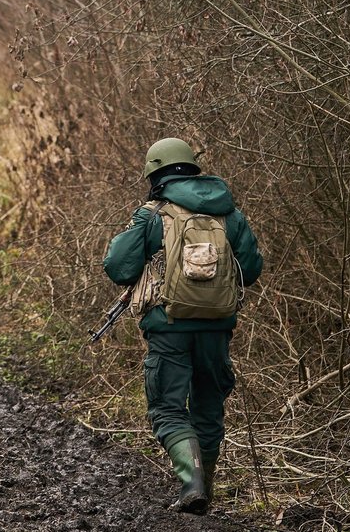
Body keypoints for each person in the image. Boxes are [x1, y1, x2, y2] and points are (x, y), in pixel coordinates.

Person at [102, 138, 263, 514]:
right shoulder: (230, 214)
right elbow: (251, 270)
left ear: (154, 172)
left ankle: (191, 486)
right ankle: (204, 490)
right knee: (208, 407)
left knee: (168, 409)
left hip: (168, 326)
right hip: (217, 328)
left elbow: (118, 267)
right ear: (192, 167)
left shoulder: (151, 214)